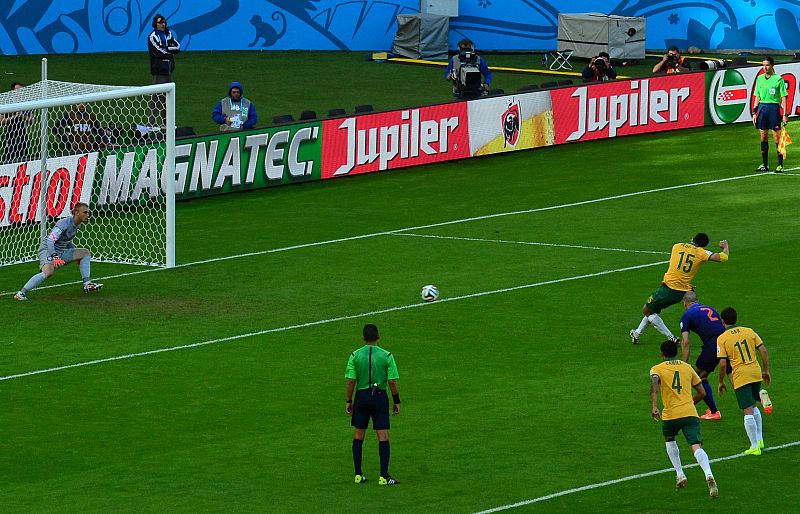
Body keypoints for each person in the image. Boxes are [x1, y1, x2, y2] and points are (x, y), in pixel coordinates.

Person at [630, 234, 729, 344]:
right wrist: (725, 247)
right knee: (651, 310)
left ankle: (671, 337)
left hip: (669, 289)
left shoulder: (676, 246)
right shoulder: (702, 253)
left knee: (647, 310)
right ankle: (637, 334)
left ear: (692, 238)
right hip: (682, 292)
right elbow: (724, 257)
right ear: (703, 245)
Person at [650, 339, 719, 497]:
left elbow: (654, 387)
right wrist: (690, 404)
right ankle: (708, 474)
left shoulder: (656, 369)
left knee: (669, 438)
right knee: (696, 446)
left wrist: (654, 406)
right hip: (690, 413)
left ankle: (680, 473)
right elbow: (702, 392)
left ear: (662, 354)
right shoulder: (687, 367)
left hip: (671, 415)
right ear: (677, 353)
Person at [344, 324, 400, 486]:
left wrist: (349, 401)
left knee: (358, 435)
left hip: (361, 397)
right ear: (378, 337)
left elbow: (351, 381)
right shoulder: (387, 356)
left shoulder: (355, 356)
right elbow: (392, 381)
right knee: (382, 435)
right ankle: (384, 476)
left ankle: (358, 474)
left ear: (363, 338)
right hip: (379, 397)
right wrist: (396, 401)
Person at [14, 202, 103, 301]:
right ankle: (21, 293)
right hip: (47, 249)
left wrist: (75, 255)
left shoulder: (77, 226)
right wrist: (55, 257)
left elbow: (68, 240)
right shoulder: (64, 223)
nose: (87, 215)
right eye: (85, 212)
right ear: (77, 213)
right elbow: (50, 240)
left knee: (85, 253)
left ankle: (87, 284)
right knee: (48, 272)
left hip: (59, 252)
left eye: (88, 213)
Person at [717, 307, 771, 456]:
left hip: (741, 375)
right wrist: (766, 370)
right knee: (753, 405)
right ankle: (759, 439)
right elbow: (764, 350)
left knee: (747, 411)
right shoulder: (749, 331)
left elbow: (722, 364)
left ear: (723, 321)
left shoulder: (722, 338)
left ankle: (754, 446)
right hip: (755, 371)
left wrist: (721, 381)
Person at [678, 291, 730, 420]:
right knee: (705, 377)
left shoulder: (687, 315)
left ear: (685, 303)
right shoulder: (709, 308)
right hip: (726, 343)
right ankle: (713, 411)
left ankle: (685, 410)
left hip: (712, 347)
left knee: (695, 377)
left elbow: (685, 341)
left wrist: (684, 363)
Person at [752, 56, 789, 173]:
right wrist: (754, 112)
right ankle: (764, 164)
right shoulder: (759, 79)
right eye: (763, 65)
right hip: (762, 109)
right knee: (763, 137)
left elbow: (784, 96)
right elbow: (757, 96)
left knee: (777, 138)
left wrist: (785, 114)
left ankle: (780, 165)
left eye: (767, 65)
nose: (765, 67)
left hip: (773, 109)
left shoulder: (778, 79)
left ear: (772, 66)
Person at [147, 13, 180, 126]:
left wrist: (167, 50)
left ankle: (167, 123)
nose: (163, 24)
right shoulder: (152, 36)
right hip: (159, 71)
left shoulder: (168, 34)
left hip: (169, 70)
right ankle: (152, 123)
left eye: (164, 22)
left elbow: (177, 47)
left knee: (168, 99)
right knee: (157, 98)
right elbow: (158, 52)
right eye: (160, 22)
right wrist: (169, 52)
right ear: (155, 24)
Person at [1, 82, 35, 164]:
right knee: (9, 156)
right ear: (12, 92)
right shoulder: (7, 104)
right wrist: (14, 116)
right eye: (17, 90)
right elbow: (2, 121)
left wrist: (22, 116)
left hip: (22, 134)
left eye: (21, 90)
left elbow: (33, 120)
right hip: (10, 135)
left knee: (23, 156)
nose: (20, 92)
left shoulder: (26, 104)